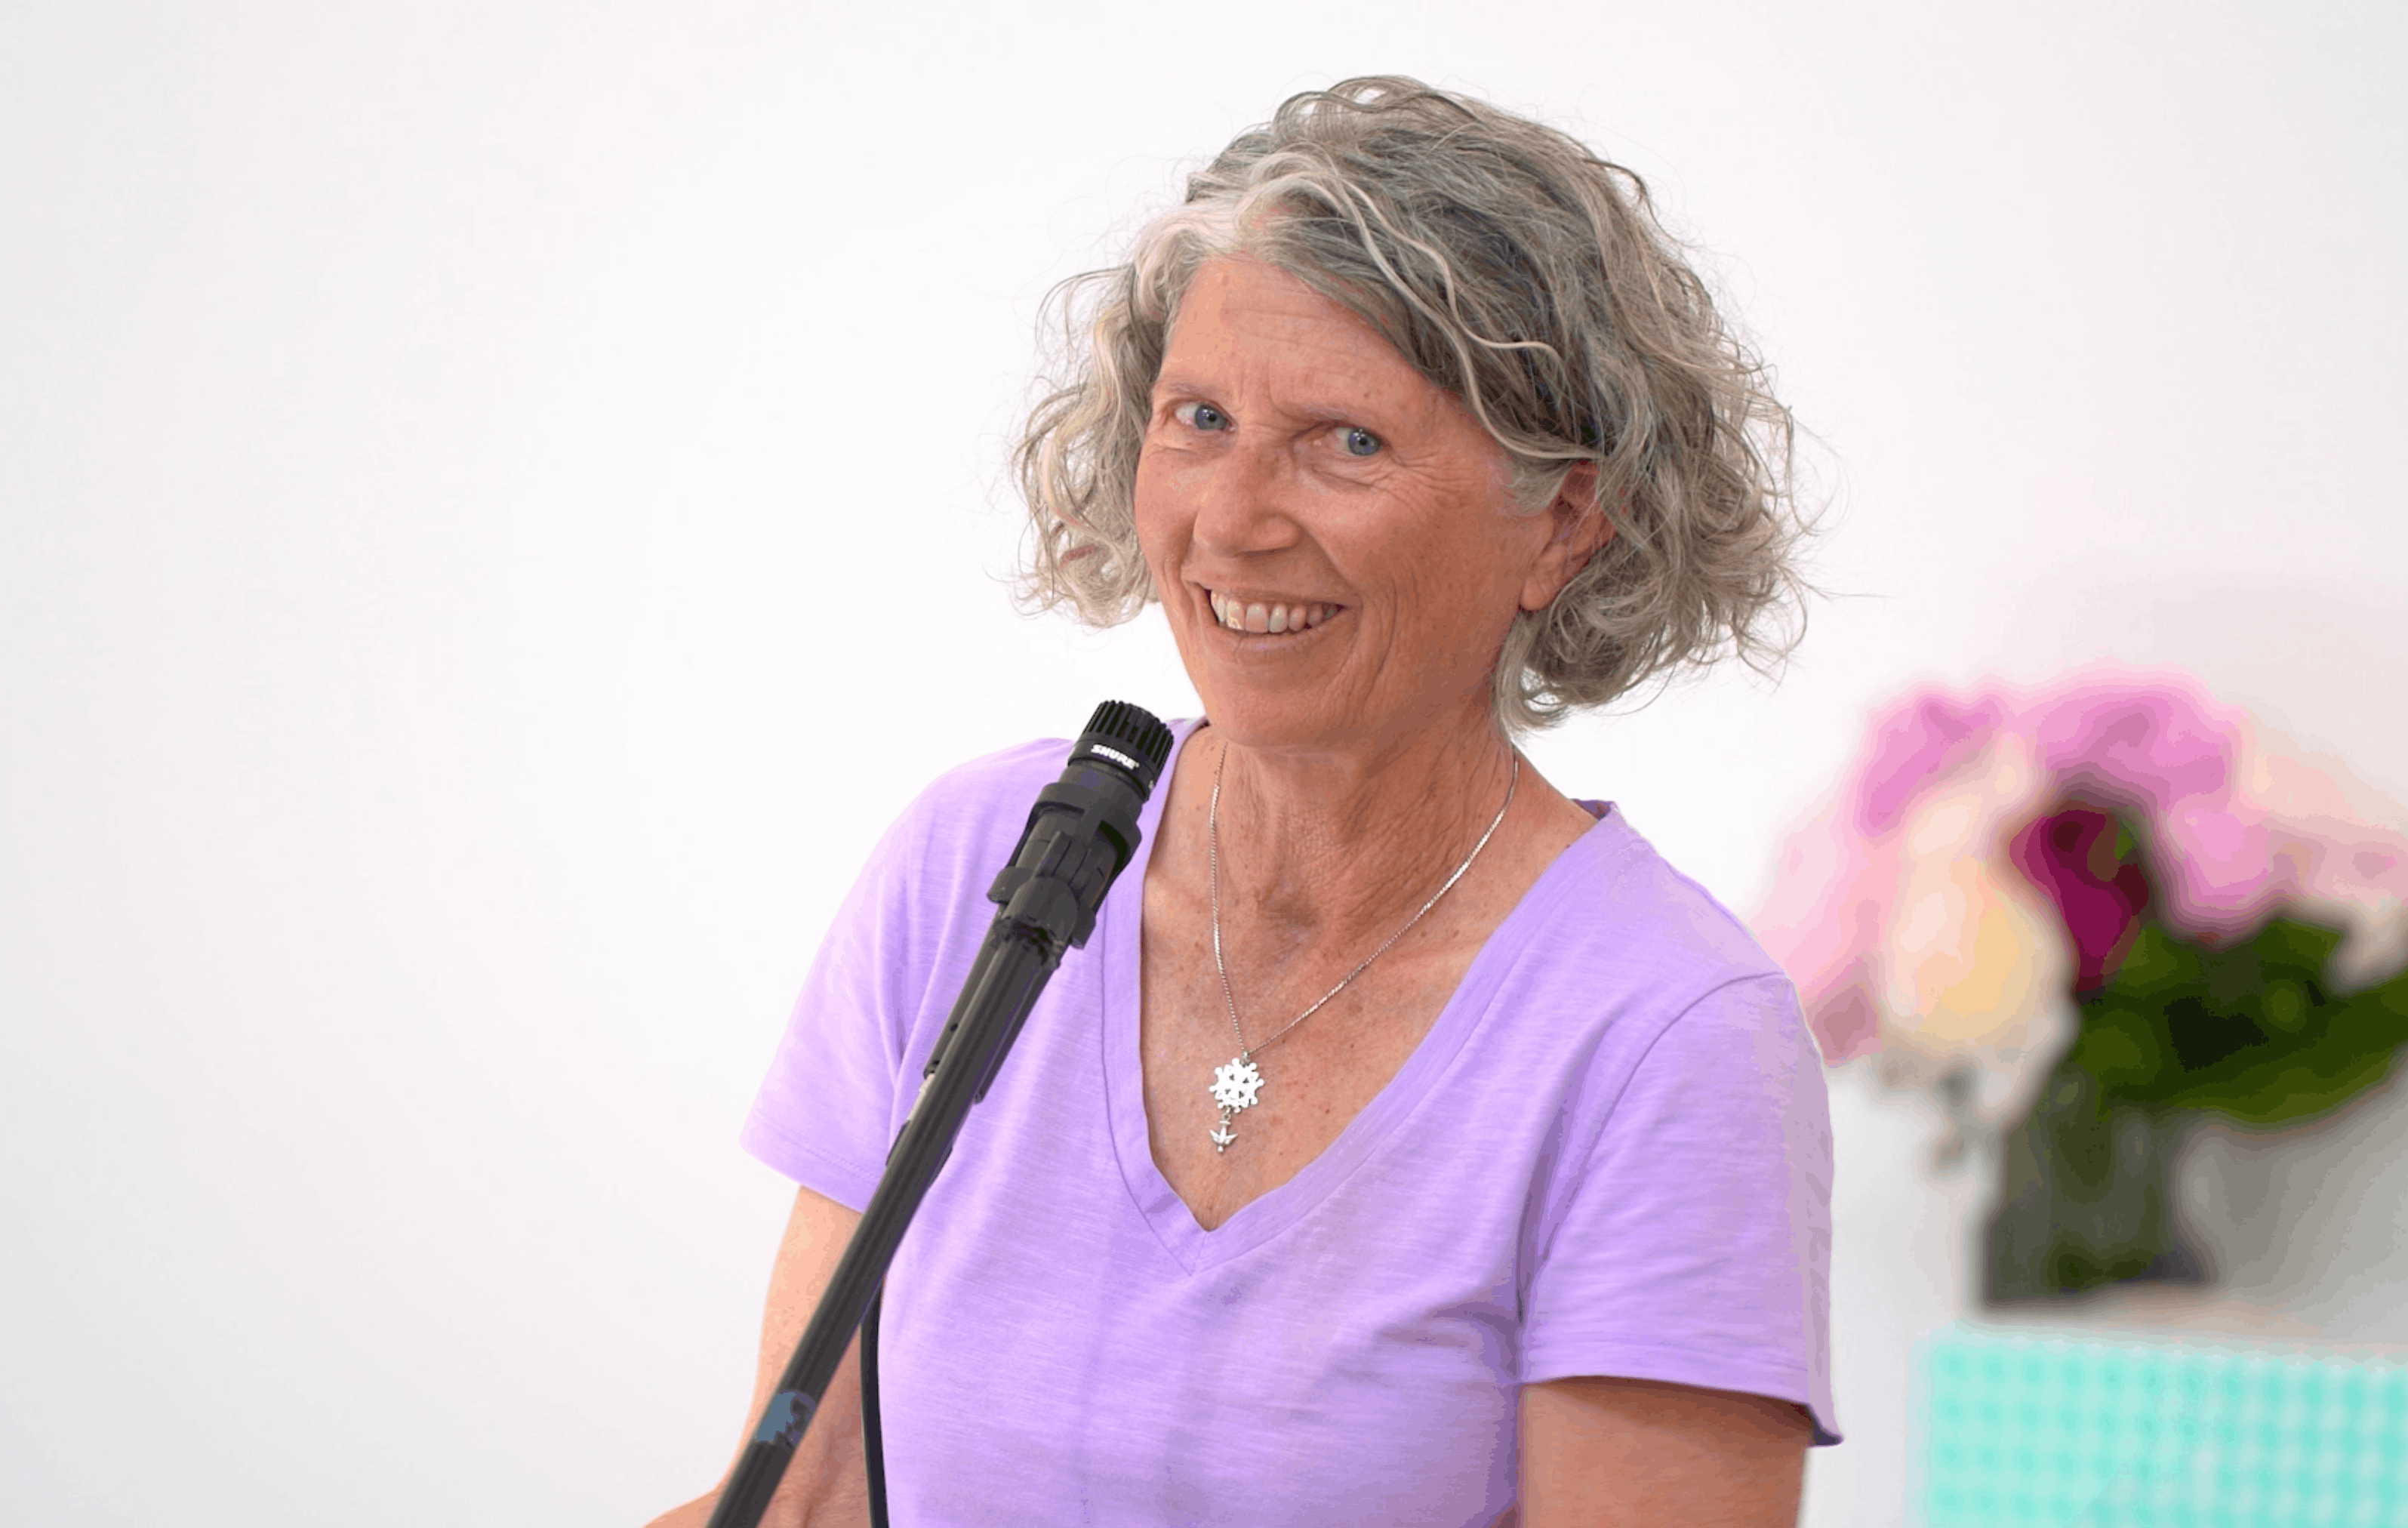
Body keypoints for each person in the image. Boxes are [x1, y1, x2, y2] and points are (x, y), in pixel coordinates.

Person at [653, 76, 1835, 1527]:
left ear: (1565, 523)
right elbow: (799, 1500)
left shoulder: (1668, 1037)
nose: (1235, 518)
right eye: (1199, 417)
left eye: (1347, 441)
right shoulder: (977, 866)